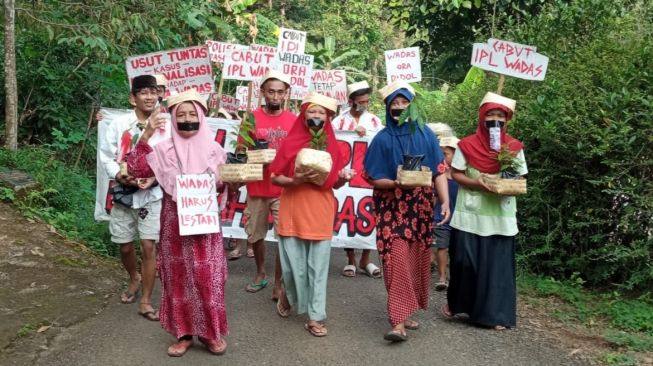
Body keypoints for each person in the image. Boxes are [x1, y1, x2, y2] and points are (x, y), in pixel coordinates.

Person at [127, 89, 229, 356]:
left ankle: (210, 333)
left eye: (192, 114)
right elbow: (137, 169)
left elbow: (224, 186)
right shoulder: (162, 150)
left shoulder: (215, 151)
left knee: (208, 277)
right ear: (172, 118)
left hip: (206, 224)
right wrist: (147, 133)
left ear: (202, 117)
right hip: (174, 222)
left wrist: (232, 180)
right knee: (179, 277)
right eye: (180, 114)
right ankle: (182, 333)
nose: (186, 119)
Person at [362, 81, 450, 342]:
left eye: (404, 102)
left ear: (412, 105)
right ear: (388, 108)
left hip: (421, 208)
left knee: (415, 259)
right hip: (392, 208)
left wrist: (445, 201)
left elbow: (438, 171)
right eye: (394, 104)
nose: (399, 107)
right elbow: (374, 178)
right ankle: (397, 321)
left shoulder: (425, 135)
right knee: (396, 258)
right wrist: (396, 183)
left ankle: (407, 309)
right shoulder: (381, 139)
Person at [269, 92, 353, 337]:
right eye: (312, 111)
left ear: (328, 118)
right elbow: (275, 176)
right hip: (293, 207)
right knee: (293, 267)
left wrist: (343, 178)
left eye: (321, 113)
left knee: (317, 269)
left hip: (320, 209)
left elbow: (334, 183)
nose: (316, 116)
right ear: (304, 114)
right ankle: (288, 294)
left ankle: (315, 317)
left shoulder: (333, 146)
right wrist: (295, 180)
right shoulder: (291, 141)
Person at [443, 92, 527, 330]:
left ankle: (495, 315)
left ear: (507, 120)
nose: (495, 119)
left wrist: (503, 182)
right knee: (464, 263)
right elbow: (456, 173)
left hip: (500, 216)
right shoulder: (466, 146)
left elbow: (520, 177)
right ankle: (462, 306)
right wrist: (479, 182)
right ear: (481, 117)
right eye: (490, 114)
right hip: (469, 215)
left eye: (500, 115)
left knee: (497, 268)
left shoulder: (513, 147)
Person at [98, 75, 162, 320]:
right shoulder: (119, 124)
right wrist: (118, 174)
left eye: (153, 91)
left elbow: (170, 158)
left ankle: (145, 300)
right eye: (143, 92)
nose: (149, 96)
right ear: (132, 98)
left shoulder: (165, 125)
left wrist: (156, 179)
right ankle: (134, 277)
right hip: (124, 192)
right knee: (125, 246)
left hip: (152, 194)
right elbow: (106, 155)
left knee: (148, 245)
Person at [241, 70, 296, 299]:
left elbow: (298, 153)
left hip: (284, 188)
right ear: (263, 92)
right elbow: (240, 152)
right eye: (271, 91)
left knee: (284, 237)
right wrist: (256, 155)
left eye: (280, 92)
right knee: (255, 235)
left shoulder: (294, 121)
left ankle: (278, 283)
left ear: (286, 94)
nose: (275, 96)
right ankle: (261, 273)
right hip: (257, 187)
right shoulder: (250, 118)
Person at [332, 80, 383, 278]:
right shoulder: (339, 121)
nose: (364, 104)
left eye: (367, 101)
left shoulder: (375, 122)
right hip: (345, 175)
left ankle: (366, 259)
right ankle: (351, 260)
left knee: (368, 213)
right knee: (347, 211)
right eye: (360, 101)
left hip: (368, 175)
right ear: (351, 101)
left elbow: (379, 142)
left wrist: (366, 134)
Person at [426, 123, 460, 291]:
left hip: (459, 218)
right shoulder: (437, 175)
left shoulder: (463, 176)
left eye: (445, 154)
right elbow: (433, 196)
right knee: (442, 246)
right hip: (441, 218)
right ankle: (441, 276)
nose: (442, 157)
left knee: (454, 249)